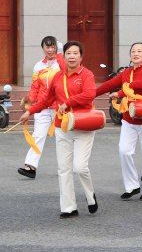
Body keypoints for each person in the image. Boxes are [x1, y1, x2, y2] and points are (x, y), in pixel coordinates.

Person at [20, 41, 98, 218]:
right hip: (62, 126)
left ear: (81, 56)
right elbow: (46, 100)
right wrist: (29, 111)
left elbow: (89, 95)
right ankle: (69, 207)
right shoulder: (57, 77)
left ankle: (90, 195)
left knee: (80, 167)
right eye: (68, 53)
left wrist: (67, 103)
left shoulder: (87, 74)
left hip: (84, 124)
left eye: (75, 53)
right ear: (64, 56)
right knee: (63, 169)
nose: (71, 56)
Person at [96, 42, 142, 200]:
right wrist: (90, 94)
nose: (136, 53)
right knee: (124, 151)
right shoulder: (126, 72)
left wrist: (128, 86)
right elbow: (109, 84)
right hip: (129, 118)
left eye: (139, 51)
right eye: (133, 51)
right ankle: (132, 186)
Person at [18, 36, 63, 179]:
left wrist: (60, 55)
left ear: (56, 47)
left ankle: (65, 167)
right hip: (42, 106)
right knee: (38, 135)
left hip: (59, 106)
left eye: (52, 46)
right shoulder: (38, 66)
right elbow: (35, 87)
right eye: (47, 47)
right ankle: (31, 166)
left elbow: (66, 74)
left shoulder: (61, 63)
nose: (50, 50)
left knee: (63, 137)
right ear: (43, 48)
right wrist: (29, 101)